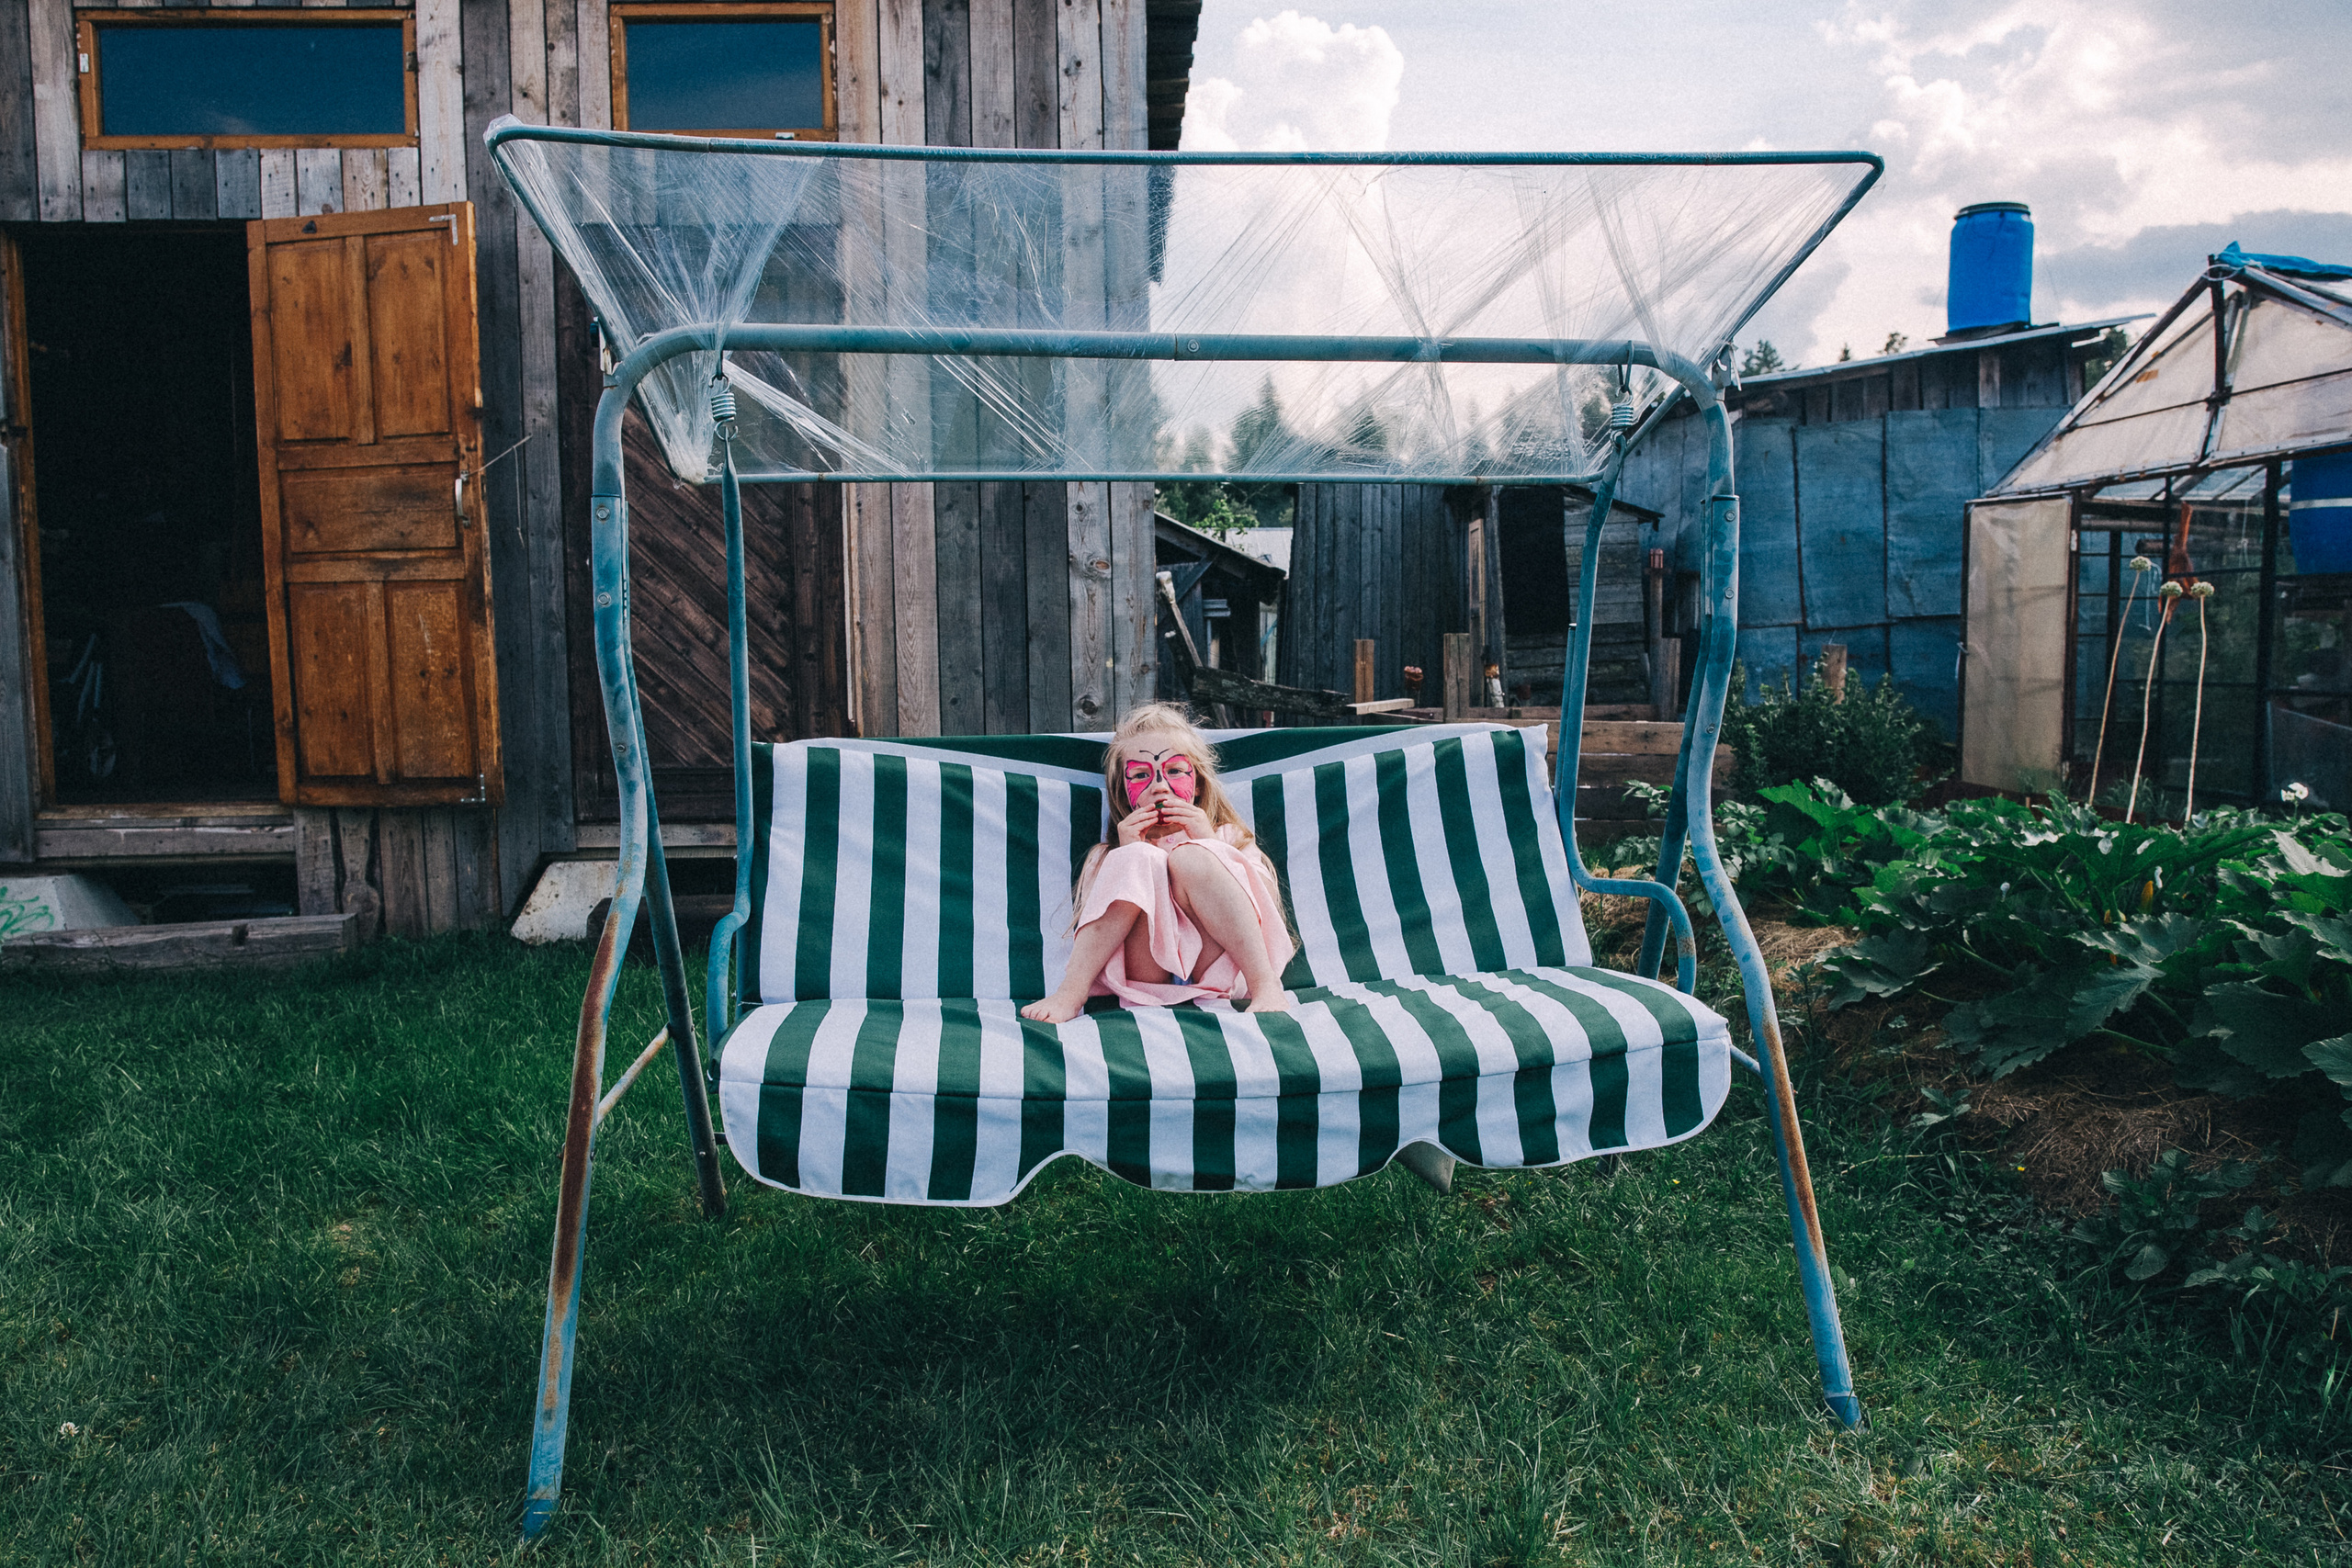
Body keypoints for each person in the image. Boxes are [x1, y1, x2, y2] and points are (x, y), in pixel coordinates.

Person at [1020, 702, 1295, 1023]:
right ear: (1124, 793)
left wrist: (1209, 845)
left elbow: (1263, 906)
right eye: (1140, 775)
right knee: (1138, 859)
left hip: (1221, 970)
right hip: (1146, 977)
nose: (1159, 785)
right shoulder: (1109, 854)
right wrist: (1128, 856)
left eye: (1175, 770)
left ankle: (1266, 986)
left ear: (1199, 785)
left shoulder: (1229, 836)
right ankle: (1070, 993)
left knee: (1191, 857)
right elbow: (1095, 922)